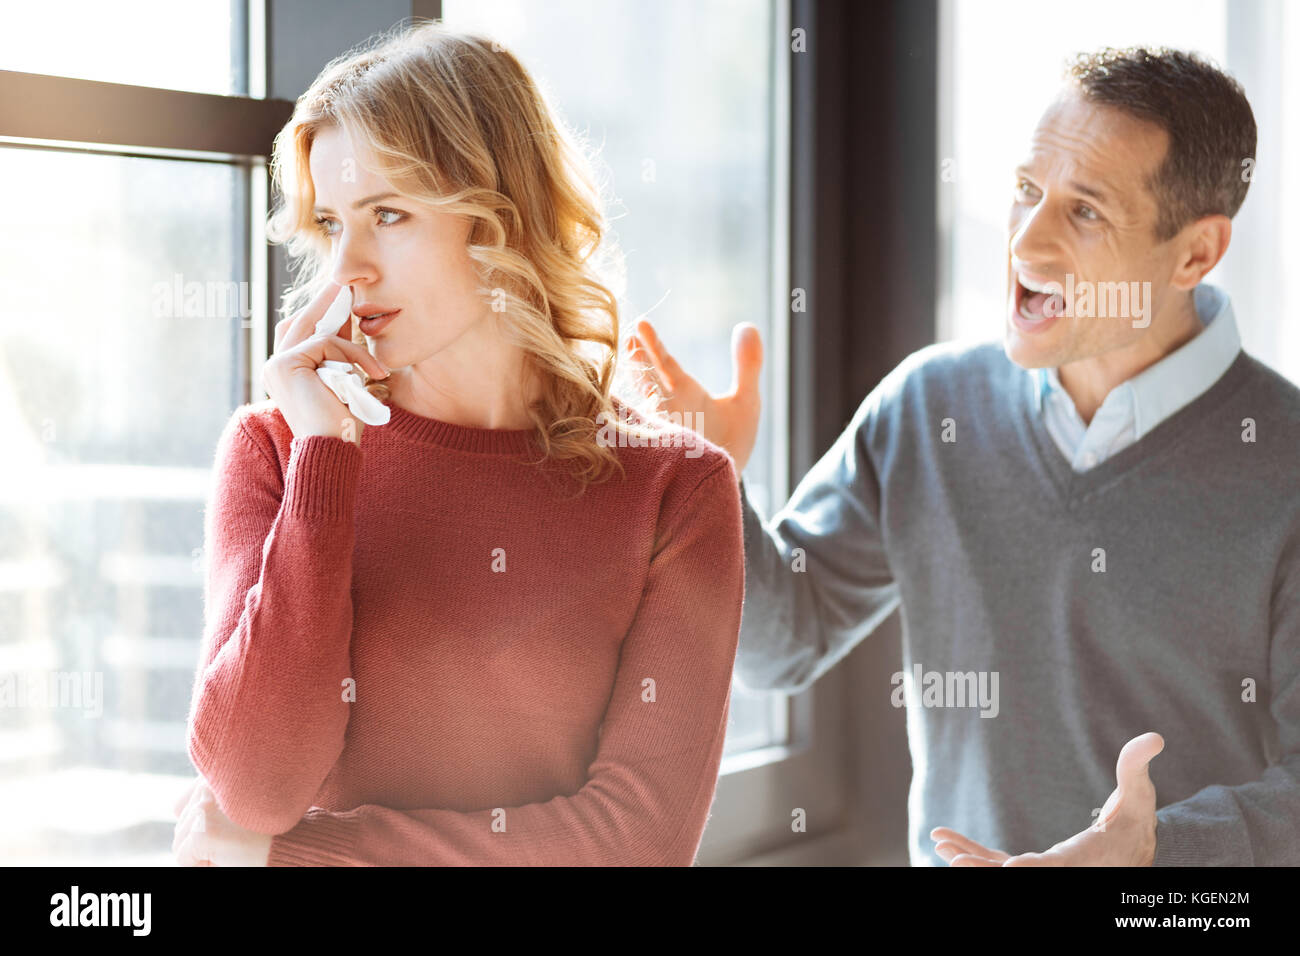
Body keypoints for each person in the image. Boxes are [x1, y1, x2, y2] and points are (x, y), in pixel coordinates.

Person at [631, 46, 1300, 866]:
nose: (1027, 240)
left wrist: (1152, 854)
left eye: (1085, 212)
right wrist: (711, 482)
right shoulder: (928, 407)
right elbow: (783, 643)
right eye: (1027, 191)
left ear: (1196, 253)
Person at [172, 21, 744, 866]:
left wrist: (296, 859)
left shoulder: (677, 490)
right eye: (331, 223)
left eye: (389, 214)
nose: (348, 267)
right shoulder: (275, 449)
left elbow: (639, 842)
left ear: (502, 218)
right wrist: (324, 462)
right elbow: (257, 785)